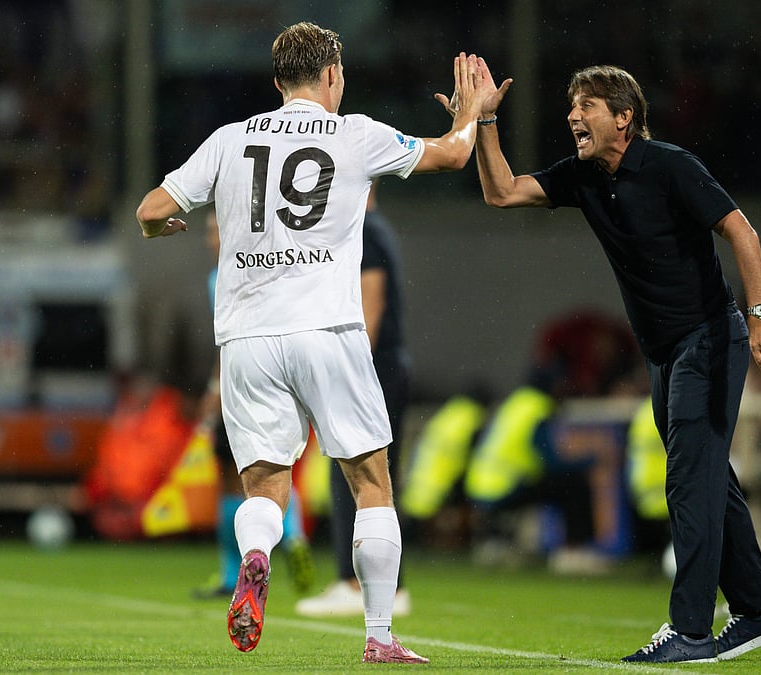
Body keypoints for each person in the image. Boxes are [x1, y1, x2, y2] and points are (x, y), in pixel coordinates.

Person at [136, 22, 491, 664]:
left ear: (277, 82)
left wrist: (165, 231)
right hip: (327, 328)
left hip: (246, 339)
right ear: (333, 75)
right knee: (371, 483)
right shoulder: (356, 134)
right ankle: (380, 635)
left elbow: (152, 210)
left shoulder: (229, 140)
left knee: (265, 487)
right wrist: (470, 113)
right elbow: (453, 154)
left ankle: (252, 559)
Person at [468, 60, 761, 663]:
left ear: (625, 118)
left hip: (711, 338)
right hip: (664, 353)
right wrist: (486, 120)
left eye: (587, 106)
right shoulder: (585, 176)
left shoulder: (670, 164)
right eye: (572, 107)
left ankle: (691, 631)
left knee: (688, 480)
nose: (573, 116)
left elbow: (741, 230)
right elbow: (501, 192)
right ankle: (759, 611)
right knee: (709, 478)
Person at [296, 180, 415, 617]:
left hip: (372, 367)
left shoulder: (363, 227)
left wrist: (347, 370)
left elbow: (371, 304)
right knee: (373, 475)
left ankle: (356, 581)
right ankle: (383, 584)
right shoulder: (375, 227)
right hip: (384, 366)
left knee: (357, 473)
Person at [192, 209, 314, 600]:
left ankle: (234, 570)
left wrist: (214, 391)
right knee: (275, 469)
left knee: (234, 480)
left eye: (217, 231)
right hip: (281, 380)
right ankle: (294, 538)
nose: (212, 240)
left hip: (241, 385)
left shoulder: (221, 279)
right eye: (209, 232)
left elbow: (228, 345)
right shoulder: (269, 268)